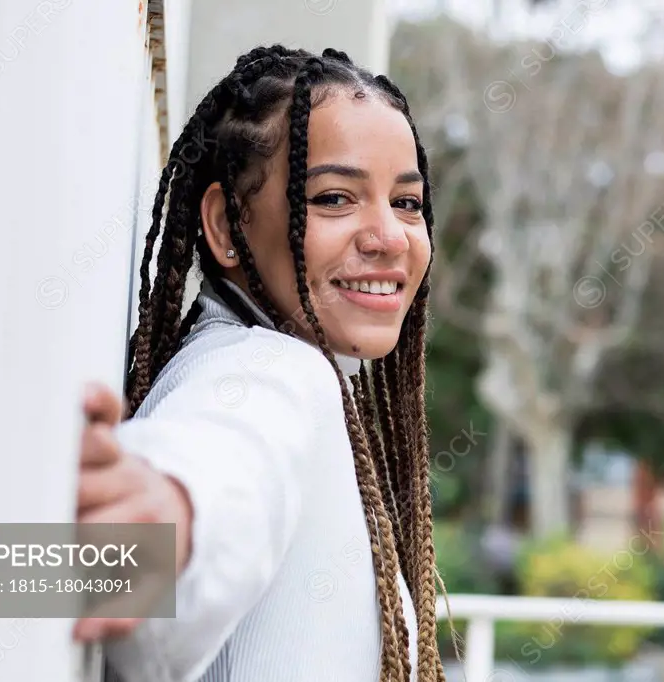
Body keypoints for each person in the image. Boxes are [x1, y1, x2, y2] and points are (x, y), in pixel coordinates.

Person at [72, 45, 444, 682]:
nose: (389, 235)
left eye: (407, 203)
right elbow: (226, 456)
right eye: (333, 198)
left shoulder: (303, 375)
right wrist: (171, 511)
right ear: (224, 223)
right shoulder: (270, 370)